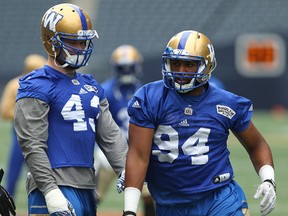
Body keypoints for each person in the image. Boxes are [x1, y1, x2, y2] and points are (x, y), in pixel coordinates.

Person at [120, 30, 276, 216]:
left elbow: (257, 144)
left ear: (207, 66)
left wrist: (268, 180)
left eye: (189, 64)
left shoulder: (226, 103)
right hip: (170, 204)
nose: (180, 71)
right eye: (175, 63)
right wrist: (129, 210)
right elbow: (138, 155)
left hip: (219, 198)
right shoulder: (149, 98)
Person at [14, 3, 127, 215]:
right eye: (73, 41)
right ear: (51, 41)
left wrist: (126, 169)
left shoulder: (92, 85)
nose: (81, 48)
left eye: (84, 42)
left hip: (87, 186)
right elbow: (32, 144)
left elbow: (111, 136)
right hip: (54, 183)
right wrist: (49, 191)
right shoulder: (36, 84)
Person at [94, 45, 156, 216]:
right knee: (93, 195)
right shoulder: (106, 90)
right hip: (109, 153)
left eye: (130, 66)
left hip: (136, 150)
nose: (127, 71)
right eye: (123, 67)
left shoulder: (144, 91)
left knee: (148, 195)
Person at [0, 54, 46, 198]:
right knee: (13, 174)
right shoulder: (15, 85)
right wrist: (26, 114)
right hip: (20, 135)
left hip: (40, 135)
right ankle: (7, 204)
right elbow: (5, 111)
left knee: (43, 174)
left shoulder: (44, 85)